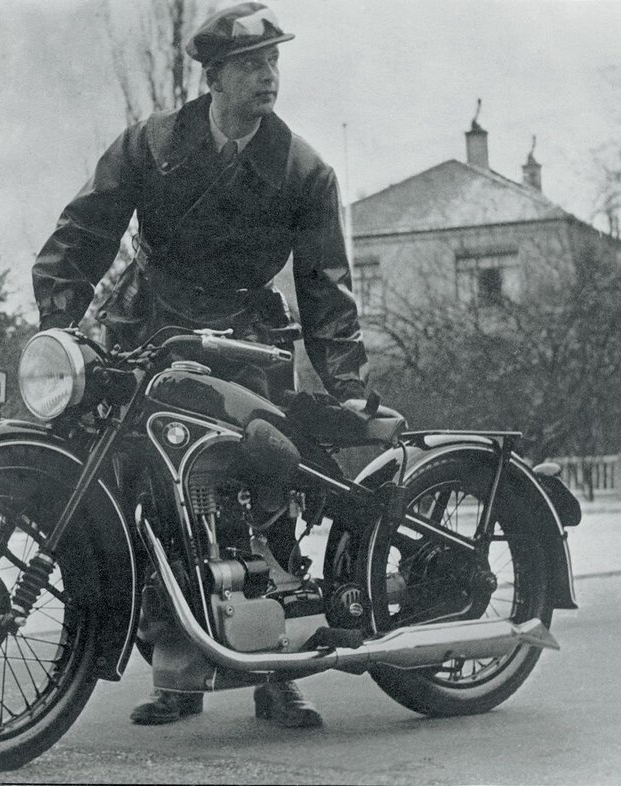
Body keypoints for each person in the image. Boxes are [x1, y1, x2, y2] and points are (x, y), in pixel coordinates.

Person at [32, 2, 369, 728]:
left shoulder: (304, 170)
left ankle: (278, 673)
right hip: (149, 326)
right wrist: (60, 330)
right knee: (147, 498)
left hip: (247, 341)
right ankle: (177, 676)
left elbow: (326, 292)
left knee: (268, 493)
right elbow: (84, 230)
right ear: (214, 75)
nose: (268, 77)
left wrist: (350, 392)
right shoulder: (152, 145)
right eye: (251, 64)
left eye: (274, 61)